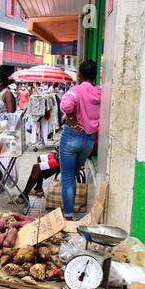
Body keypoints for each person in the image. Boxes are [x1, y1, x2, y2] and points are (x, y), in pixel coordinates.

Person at [60, 60, 101, 220]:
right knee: (74, 173)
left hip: (72, 136)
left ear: (80, 75)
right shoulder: (100, 92)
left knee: (67, 176)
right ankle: (71, 209)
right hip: (89, 141)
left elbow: (66, 104)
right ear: (95, 74)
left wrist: (71, 118)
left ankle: (69, 215)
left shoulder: (75, 90)